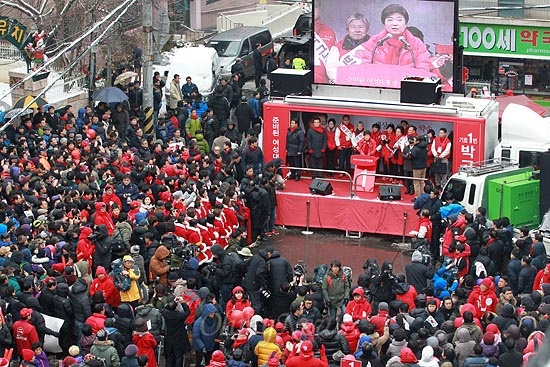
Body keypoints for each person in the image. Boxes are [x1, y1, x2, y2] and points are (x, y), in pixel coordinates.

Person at [360, 4, 431, 71]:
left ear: (406, 24)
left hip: (406, 82)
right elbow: (365, 67)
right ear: (384, 24)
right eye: (390, 20)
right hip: (380, 81)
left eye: (399, 20)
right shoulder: (374, 41)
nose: (394, 24)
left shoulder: (417, 43)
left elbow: (423, 69)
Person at [326, 13, 371, 83]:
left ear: (367, 29)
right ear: (348, 29)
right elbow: (331, 68)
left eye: (361, 27)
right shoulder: (337, 47)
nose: (357, 30)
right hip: (343, 86)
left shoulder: (376, 45)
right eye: (353, 27)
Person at [313, 0, 336, 83]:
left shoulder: (329, 32)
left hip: (324, 85)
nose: (314, 10)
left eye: (316, 7)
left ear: (320, 9)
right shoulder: (303, 29)